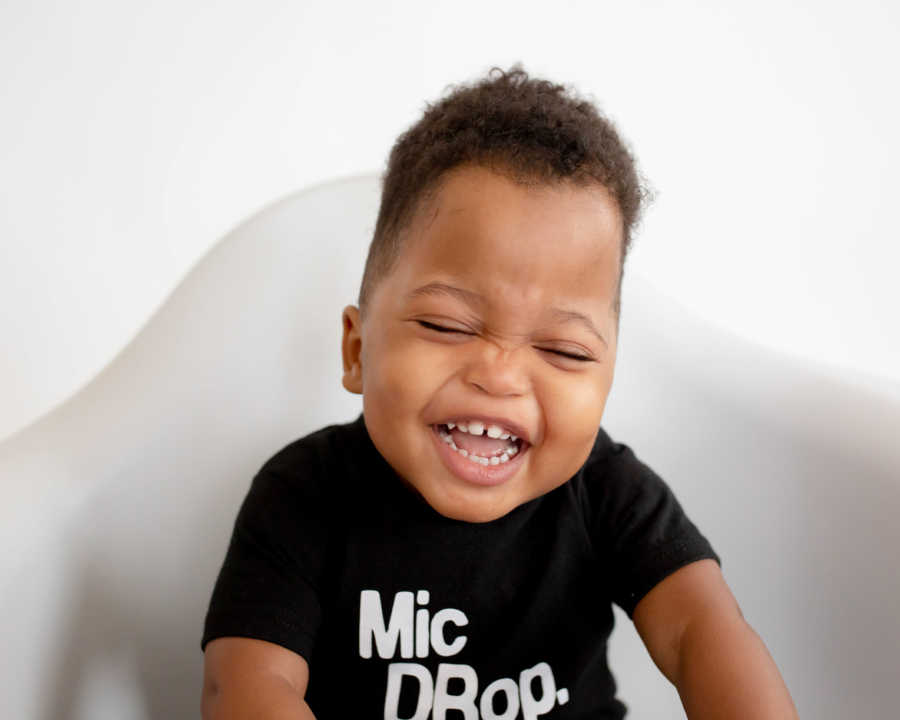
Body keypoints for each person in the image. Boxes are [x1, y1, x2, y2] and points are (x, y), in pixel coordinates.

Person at [200, 66, 799, 719]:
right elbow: (249, 686)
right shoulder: (303, 495)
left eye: (563, 351)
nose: (501, 374)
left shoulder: (607, 494)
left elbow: (700, 635)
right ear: (356, 349)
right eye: (446, 325)